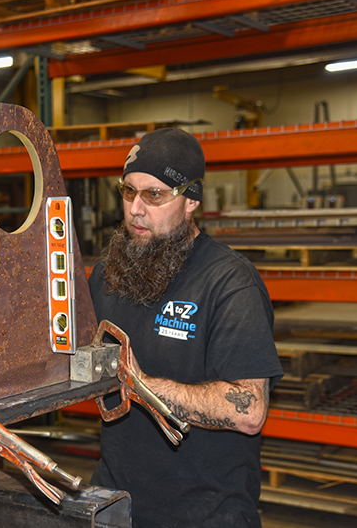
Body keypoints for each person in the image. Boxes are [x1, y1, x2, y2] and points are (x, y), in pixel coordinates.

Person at [88, 128, 283, 528]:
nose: (135, 210)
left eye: (154, 195)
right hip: (116, 503)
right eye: (128, 192)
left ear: (191, 199)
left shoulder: (229, 282)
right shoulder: (109, 272)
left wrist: (139, 384)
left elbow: (249, 410)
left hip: (206, 512)